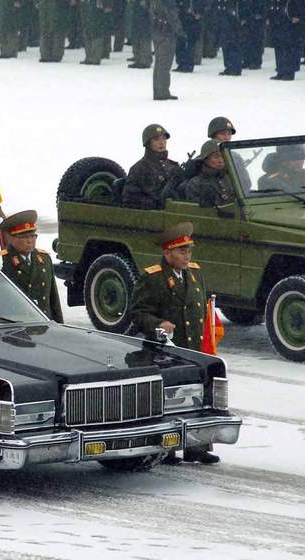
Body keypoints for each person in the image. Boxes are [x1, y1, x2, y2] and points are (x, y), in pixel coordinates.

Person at [130, 222, 219, 465]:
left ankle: (197, 446)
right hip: (167, 351)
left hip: (193, 349)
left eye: (189, 250)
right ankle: (167, 448)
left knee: (198, 396)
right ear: (167, 252)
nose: (187, 256)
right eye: (181, 251)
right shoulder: (153, 278)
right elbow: (138, 313)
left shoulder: (195, 273)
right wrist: (158, 323)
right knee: (171, 399)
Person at [0, 210, 64, 322]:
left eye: (33, 236)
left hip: (44, 323)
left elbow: (53, 299)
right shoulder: (2, 261)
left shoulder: (44, 258)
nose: (30, 241)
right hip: (17, 324)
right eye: (24, 237)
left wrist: (59, 325)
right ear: (11, 238)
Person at [122, 124, 182, 209]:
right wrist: (155, 203)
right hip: (150, 214)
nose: (162, 142)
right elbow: (130, 199)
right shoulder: (139, 168)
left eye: (164, 138)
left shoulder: (173, 166)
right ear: (148, 143)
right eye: (156, 139)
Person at [175, 140, 236, 206]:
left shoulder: (232, 179)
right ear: (205, 159)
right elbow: (193, 209)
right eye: (216, 157)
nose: (221, 160)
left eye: (223, 156)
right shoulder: (195, 183)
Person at [150, 0, 181, 98]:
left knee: (159, 63)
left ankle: (157, 90)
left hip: (157, 31)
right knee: (164, 63)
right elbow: (171, 15)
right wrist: (179, 30)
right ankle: (162, 91)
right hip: (167, 33)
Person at [269, 0, 305, 80]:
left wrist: (298, 16)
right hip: (279, 18)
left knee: (290, 47)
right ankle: (281, 70)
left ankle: (289, 72)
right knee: (279, 46)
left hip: (291, 20)